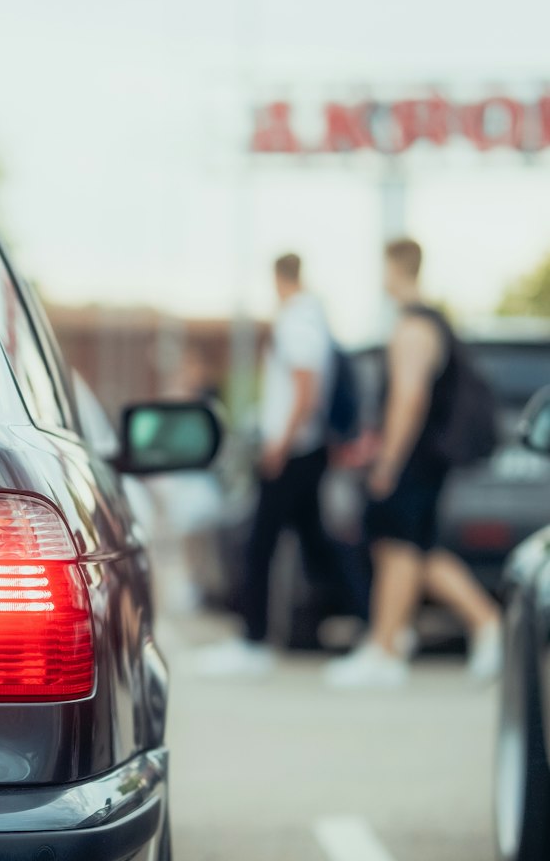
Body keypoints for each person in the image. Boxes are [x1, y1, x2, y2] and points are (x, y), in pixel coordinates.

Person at [325, 238, 502, 689]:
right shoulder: (431, 322)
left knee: (397, 547)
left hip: (414, 457)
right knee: (411, 550)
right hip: (424, 457)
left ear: (396, 268)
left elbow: (410, 396)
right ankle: (402, 640)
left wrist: (388, 460)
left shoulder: (413, 327)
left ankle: (388, 650)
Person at [197, 253, 337, 677]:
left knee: (260, 545)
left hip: (290, 451)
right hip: (304, 449)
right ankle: (369, 621)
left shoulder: (297, 320)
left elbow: (304, 388)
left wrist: (280, 443)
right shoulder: (317, 319)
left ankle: (253, 640)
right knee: (317, 546)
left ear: (279, 279)